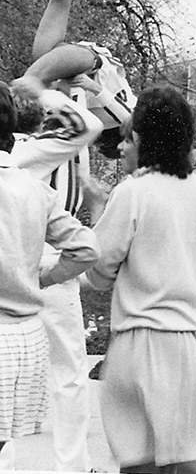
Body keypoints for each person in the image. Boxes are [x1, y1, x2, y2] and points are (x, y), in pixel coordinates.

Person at [87, 87, 196, 473]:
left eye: (129, 136)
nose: (122, 145)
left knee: (139, 460)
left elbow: (98, 271)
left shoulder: (133, 193)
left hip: (147, 340)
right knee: (183, 458)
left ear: (144, 138)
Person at [0, 81, 99, 468]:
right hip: (41, 261)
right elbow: (86, 124)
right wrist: (42, 88)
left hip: (35, 259)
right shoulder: (32, 151)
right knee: (68, 370)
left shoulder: (29, 150)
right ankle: (72, 464)